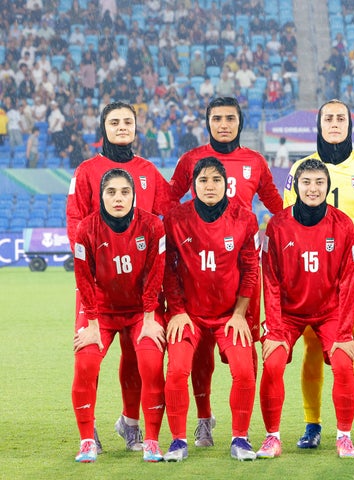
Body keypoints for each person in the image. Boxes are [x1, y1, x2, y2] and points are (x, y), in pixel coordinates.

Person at [169, 96, 283, 448]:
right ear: (208, 123)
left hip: (240, 270)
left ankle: (244, 431)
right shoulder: (190, 160)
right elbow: (169, 204)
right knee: (199, 353)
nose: (223, 124)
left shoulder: (254, 161)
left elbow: (278, 208)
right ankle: (203, 421)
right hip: (198, 269)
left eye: (229, 118)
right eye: (216, 118)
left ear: (239, 123)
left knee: (245, 354)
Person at [66, 101, 174, 454]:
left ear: (136, 127)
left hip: (141, 291)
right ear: (104, 127)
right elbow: (75, 222)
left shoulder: (148, 170)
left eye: (128, 121)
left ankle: (131, 424)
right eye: (115, 122)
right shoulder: (86, 171)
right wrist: (95, 262)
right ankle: (89, 431)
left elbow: (168, 215)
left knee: (137, 358)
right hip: (98, 288)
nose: (122, 127)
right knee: (88, 358)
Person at [283, 99, 354, 449]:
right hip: (314, 278)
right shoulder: (300, 168)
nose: (335, 123)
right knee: (313, 348)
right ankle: (312, 424)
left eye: (341, 118)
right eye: (328, 118)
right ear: (319, 124)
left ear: (350, 124)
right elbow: (288, 222)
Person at [258, 159, 354, 459]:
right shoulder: (277, 225)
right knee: (272, 363)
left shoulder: (343, 225)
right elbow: (270, 281)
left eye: (319, 182)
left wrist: (344, 332)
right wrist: (274, 330)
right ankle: (272, 438)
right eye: (306, 182)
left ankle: (344, 437)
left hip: (330, 313)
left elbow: (349, 281)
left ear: (328, 187)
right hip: (288, 314)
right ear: (296, 186)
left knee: (343, 362)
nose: (313, 189)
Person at [163, 157, 260, 462]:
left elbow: (251, 270)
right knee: (177, 371)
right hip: (189, 315)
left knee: (244, 371)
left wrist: (240, 314)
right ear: (193, 185)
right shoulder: (175, 219)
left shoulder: (244, 219)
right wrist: (177, 311)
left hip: (228, 316)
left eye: (216, 180)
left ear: (226, 184)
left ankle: (240, 439)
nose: (209, 186)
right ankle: (178, 441)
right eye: (203, 180)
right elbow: (168, 270)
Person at [71, 169, 167, 463]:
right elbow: (83, 278)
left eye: (125, 192)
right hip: (99, 310)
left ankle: (150, 441)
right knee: (86, 362)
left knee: (151, 362)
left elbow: (155, 274)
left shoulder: (152, 226)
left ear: (134, 195)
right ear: (101, 196)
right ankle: (87, 440)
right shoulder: (86, 229)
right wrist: (91, 324)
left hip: (140, 311)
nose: (118, 198)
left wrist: (149, 318)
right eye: (111, 192)